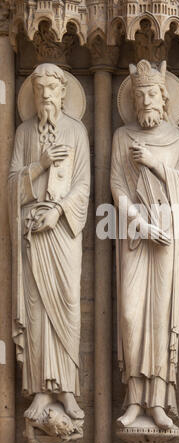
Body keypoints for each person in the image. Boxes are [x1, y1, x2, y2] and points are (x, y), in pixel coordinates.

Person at [111, 60, 179, 430]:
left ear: (163, 97)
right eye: (139, 94)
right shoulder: (121, 137)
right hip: (134, 232)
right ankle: (133, 396)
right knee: (131, 313)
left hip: (168, 236)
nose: (145, 100)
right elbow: (117, 187)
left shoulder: (176, 139)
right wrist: (140, 223)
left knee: (161, 314)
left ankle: (157, 401)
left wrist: (157, 163)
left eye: (151, 94)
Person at [8, 63, 90, 421]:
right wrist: (38, 166)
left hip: (62, 231)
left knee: (68, 305)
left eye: (51, 89)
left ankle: (68, 390)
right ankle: (41, 390)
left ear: (62, 93)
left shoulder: (76, 131)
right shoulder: (25, 133)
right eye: (38, 89)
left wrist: (58, 211)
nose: (44, 96)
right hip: (32, 232)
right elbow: (10, 185)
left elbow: (83, 184)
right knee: (37, 308)